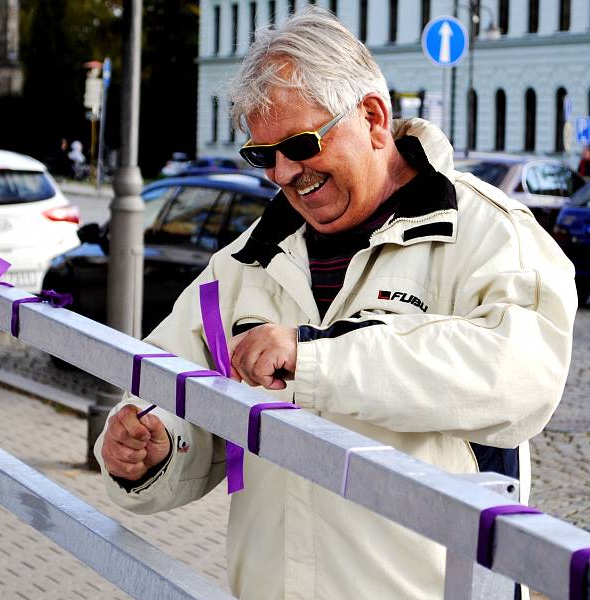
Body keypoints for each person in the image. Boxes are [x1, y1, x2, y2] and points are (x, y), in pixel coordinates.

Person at [94, 7, 576, 599]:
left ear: (372, 117)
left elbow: (520, 379)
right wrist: (150, 449)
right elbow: (168, 396)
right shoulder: (244, 263)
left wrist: (313, 360)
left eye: (300, 144)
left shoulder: (488, 231)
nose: (285, 172)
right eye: (263, 155)